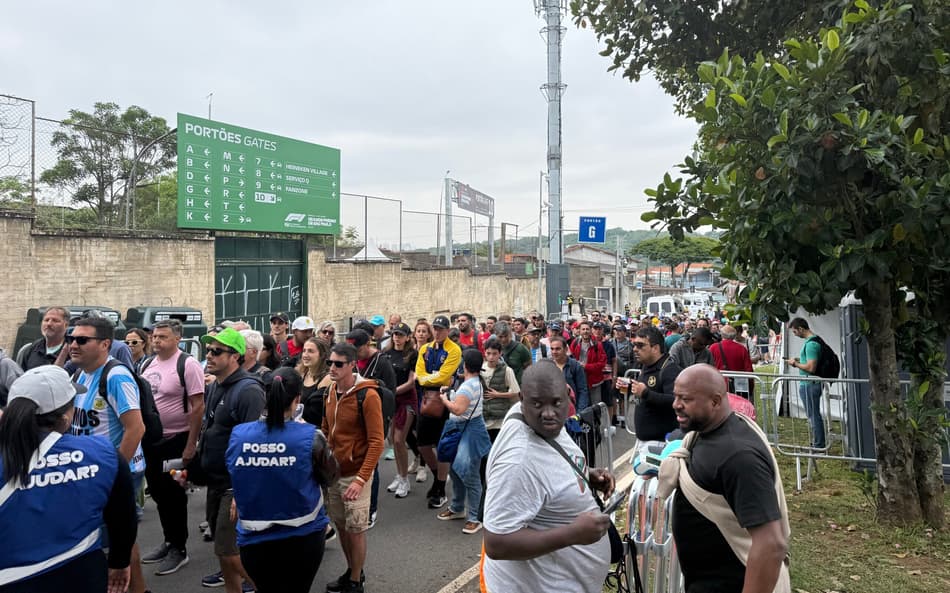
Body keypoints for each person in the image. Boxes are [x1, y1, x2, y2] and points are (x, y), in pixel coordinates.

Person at [0, 366, 137, 593]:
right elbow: (123, 518)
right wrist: (120, 562)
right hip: (82, 573)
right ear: (66, 414)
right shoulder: (103, 453)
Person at [482, 360, 615, 593]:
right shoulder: (518, 461)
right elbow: (496, 544)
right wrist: (572, 534)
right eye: (537, 404)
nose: (549, 413)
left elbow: (547, 468)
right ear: (522, 399)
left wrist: (584, 474)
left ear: (567, 395)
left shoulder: (539, 421)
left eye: (556, 403)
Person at [660, 364, 790, 593]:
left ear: (716, 401)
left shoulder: (738, 457)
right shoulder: (705, 431)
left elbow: (771, 544)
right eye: (675, 396)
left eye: (686, 399)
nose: (675, 405)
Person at [226, 367, 335, 593]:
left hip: (254, 538)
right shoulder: (312, 436)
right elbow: (331, 476)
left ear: (266, 396)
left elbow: (235, 472)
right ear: (298, 399)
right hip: (304, 534)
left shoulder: (238, 434)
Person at [66, 316, 148, 593]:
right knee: (120, 540)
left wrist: (115, 473)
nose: (73, 345)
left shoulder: (116, 376)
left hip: (113, 475)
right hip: (92, 473)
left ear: (105, 344)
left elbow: (135, 428)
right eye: (71, 339)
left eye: (81, 340)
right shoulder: (80, 374)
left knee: (117, 542)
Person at [197, 327, 266, 593]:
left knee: (228, 551)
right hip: (216, 481)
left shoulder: (249, 391)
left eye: (217, 351)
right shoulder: (216, 385)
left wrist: (242, 491)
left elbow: (254, 443)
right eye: (208, 351)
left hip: (233, 484)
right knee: (222, 551)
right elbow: (211, 430)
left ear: (235, 356)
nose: (210, 356)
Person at [138, 319, 206, 576]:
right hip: (152, 441)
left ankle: (180, 548)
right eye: (154, 336)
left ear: (178, 339)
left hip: (176, 441)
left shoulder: (186, 364)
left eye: (163, 337)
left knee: (174, 495)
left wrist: (190, 445)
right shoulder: (147, 363)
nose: (156, 341)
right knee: (157, 492)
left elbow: (197, 406)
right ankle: (168, 541)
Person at [322, 343, 385, 593]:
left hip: (356, 473)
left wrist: (361, 479)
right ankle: (351, 570)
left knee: (356, 529)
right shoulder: (330, 391)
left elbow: (377, 442)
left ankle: (356, 581)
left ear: (351, 365)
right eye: (330, 363)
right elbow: (326, 428)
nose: (332, 368)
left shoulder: (367, 395)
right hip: (334, 473)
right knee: (341, 525)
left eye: (338, 364)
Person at [435, 348, 492, 534]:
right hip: (465, 429)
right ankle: (457, 507)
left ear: (465, 365)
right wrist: (451, 393)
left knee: (470, 474)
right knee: (456, 470)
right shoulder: (473, 382)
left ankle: (474, 517)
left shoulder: (469, 385)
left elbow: (457, 410)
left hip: (468, 431)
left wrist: (444, 399)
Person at [415, 315, 461, 509]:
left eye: (441, 329)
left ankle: (440, 489)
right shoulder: (425, 349)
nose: (437, 332)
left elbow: (445, 376)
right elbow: (419, 374)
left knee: (442, 445)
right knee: (422, 444)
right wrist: (429, 379)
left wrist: (428, 378)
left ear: (447, 330)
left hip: (445, 399)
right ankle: (438, 476)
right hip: (427, 399)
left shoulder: (454, 349)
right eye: (435, 328)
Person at [622, 325, 682, 447]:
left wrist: (645, 393)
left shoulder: (669, 369)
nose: (634, 349)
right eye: (634, 345)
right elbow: (646, 390)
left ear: (655, 348)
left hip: (661, 443)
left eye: (640, 345)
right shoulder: (646, 365)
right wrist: (629, 386)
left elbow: (676, 402)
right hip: (643, 441)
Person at [381, 322, 418, 499]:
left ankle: (405, 479)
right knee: (391, 439)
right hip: (390, 401)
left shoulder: (412, 354)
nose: (397, 337)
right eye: (395, 333)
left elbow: (411, 382)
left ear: (407, 337)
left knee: (398, 439)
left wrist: (392, 391)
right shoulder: (386, 354)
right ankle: (399, 473)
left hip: (406, 400)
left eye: (401, 334)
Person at [787, 318, 825, 449]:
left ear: (801, 329)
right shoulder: (814, 342)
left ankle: (819, 445)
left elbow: (810, 368)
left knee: (813, 415)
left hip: (810, 384)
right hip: (810, 383)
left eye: (794, 332)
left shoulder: (811, 344)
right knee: (813, 414)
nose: (794, 334)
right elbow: (810, 362)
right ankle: (818, 442)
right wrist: (800, 360)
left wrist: (795, 364)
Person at [18, 306, 70, 371]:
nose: (49, 324)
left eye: (55, 320)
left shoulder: (73, 351)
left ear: (66, 325)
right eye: (46, 320)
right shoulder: (31, 349)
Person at [297, 337, 332, 427]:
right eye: (304, 351)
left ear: (322, 355)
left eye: (310, 351)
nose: (305, 355)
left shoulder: (328, 379)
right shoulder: (301, 374)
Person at [494, 321, 531, 385]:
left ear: (510, 334)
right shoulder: (493, 348)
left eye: (506, 336)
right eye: (500, 337)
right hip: (500, 386)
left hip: (517, 385)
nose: (503, 339)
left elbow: (528, 366)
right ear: (496, 335)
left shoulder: (520, 348)